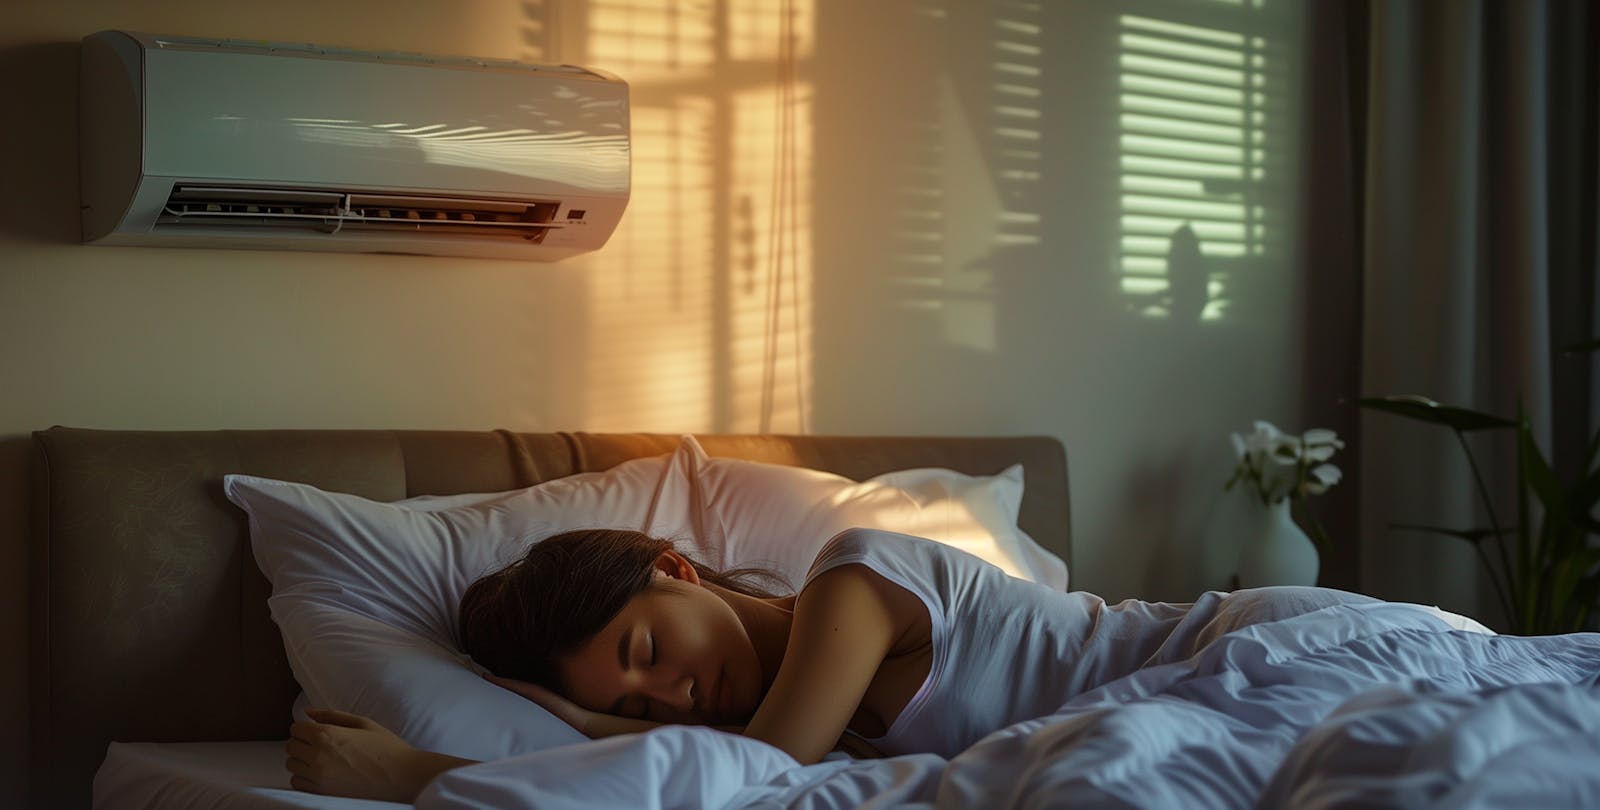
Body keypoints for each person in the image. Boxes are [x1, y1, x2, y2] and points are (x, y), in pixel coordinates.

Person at [285, 526, 1383, 801]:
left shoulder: (848, 583)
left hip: (1255, 655)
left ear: (675, 568)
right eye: (630, 699)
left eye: (646, 650)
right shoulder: (834, 727)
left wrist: (429, 770)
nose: (670, 695)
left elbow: (763, 776)